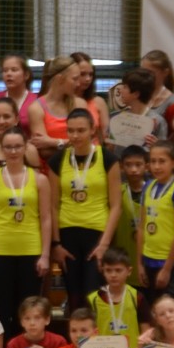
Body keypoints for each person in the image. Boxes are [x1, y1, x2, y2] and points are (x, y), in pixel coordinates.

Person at [0, 128, 54, 336]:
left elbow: (46, 218)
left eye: (17, 146)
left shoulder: (39, 180)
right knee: (4, 309)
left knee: (29, 309)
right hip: (0, 251)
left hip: (31, 251)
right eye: (8, 147)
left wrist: (45, 255)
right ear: (1, 149)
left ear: (25, 148)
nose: (13, 151)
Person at [44, 109, 119, 306]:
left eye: (81, 130)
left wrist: (104, 244)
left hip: (97, 234)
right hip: (67, 235)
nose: (75, 136)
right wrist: (56, 244)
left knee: (93, 295)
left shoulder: (107, 158)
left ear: (92, 130)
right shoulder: (58, 160)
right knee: (74, 296)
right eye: (71, 131)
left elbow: (116, 206)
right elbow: (53, 206)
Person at [137, 140, 174, 300]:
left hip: (173, 263)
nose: (156, 166)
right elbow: (141, 227)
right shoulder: (147, 186)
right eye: (153, 161)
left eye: (162, 161)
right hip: (149, 259)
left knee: (170, 309)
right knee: (153, 309)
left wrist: (167, 269)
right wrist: (139, 263)